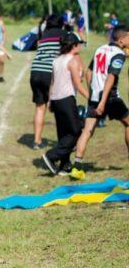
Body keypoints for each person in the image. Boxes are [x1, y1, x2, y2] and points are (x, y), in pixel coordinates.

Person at [70, 25, 129, 179]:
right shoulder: (119, 54)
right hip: (109, 98)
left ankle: (76, 166)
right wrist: (103, 101)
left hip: (95, 96)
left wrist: (93, 91)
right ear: (122, 39)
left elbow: (89, 72)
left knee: (87, 130)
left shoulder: (100, 49)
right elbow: (111, 76)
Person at [41, 33, 89, 176]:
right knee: (76, 131)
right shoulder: (72, 61)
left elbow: (52, 83)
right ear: (74, 45)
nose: (80, 46)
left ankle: (64, 166)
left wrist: (50, 100)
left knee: (63, 134)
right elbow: (78, 85)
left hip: (56, 100)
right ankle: (51, 156)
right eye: (78, 44)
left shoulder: (57, 60)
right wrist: (91, 99)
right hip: (67, 99)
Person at [29, 14, 65, 149]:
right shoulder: (63, 34)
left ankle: (36, 142)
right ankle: (63, 141)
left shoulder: (44, 35)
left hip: (35, 71)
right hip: (50, 73)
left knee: (40, 107)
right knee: (59, 108)